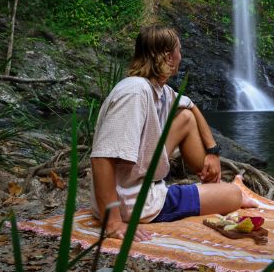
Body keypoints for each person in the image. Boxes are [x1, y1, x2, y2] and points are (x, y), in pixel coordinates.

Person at [90, 25, 256, 242]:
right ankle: (221, 192)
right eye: (179, 50)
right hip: (136, 204)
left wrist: (213, 152)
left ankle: (210, 186)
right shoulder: (134, 93)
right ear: (169, 57)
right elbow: (102, 157)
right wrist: (113, 223)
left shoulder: (158, 90)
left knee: (185, 117)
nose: (181, 55)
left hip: (141, 186)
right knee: (233, 195)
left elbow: (190, 107)